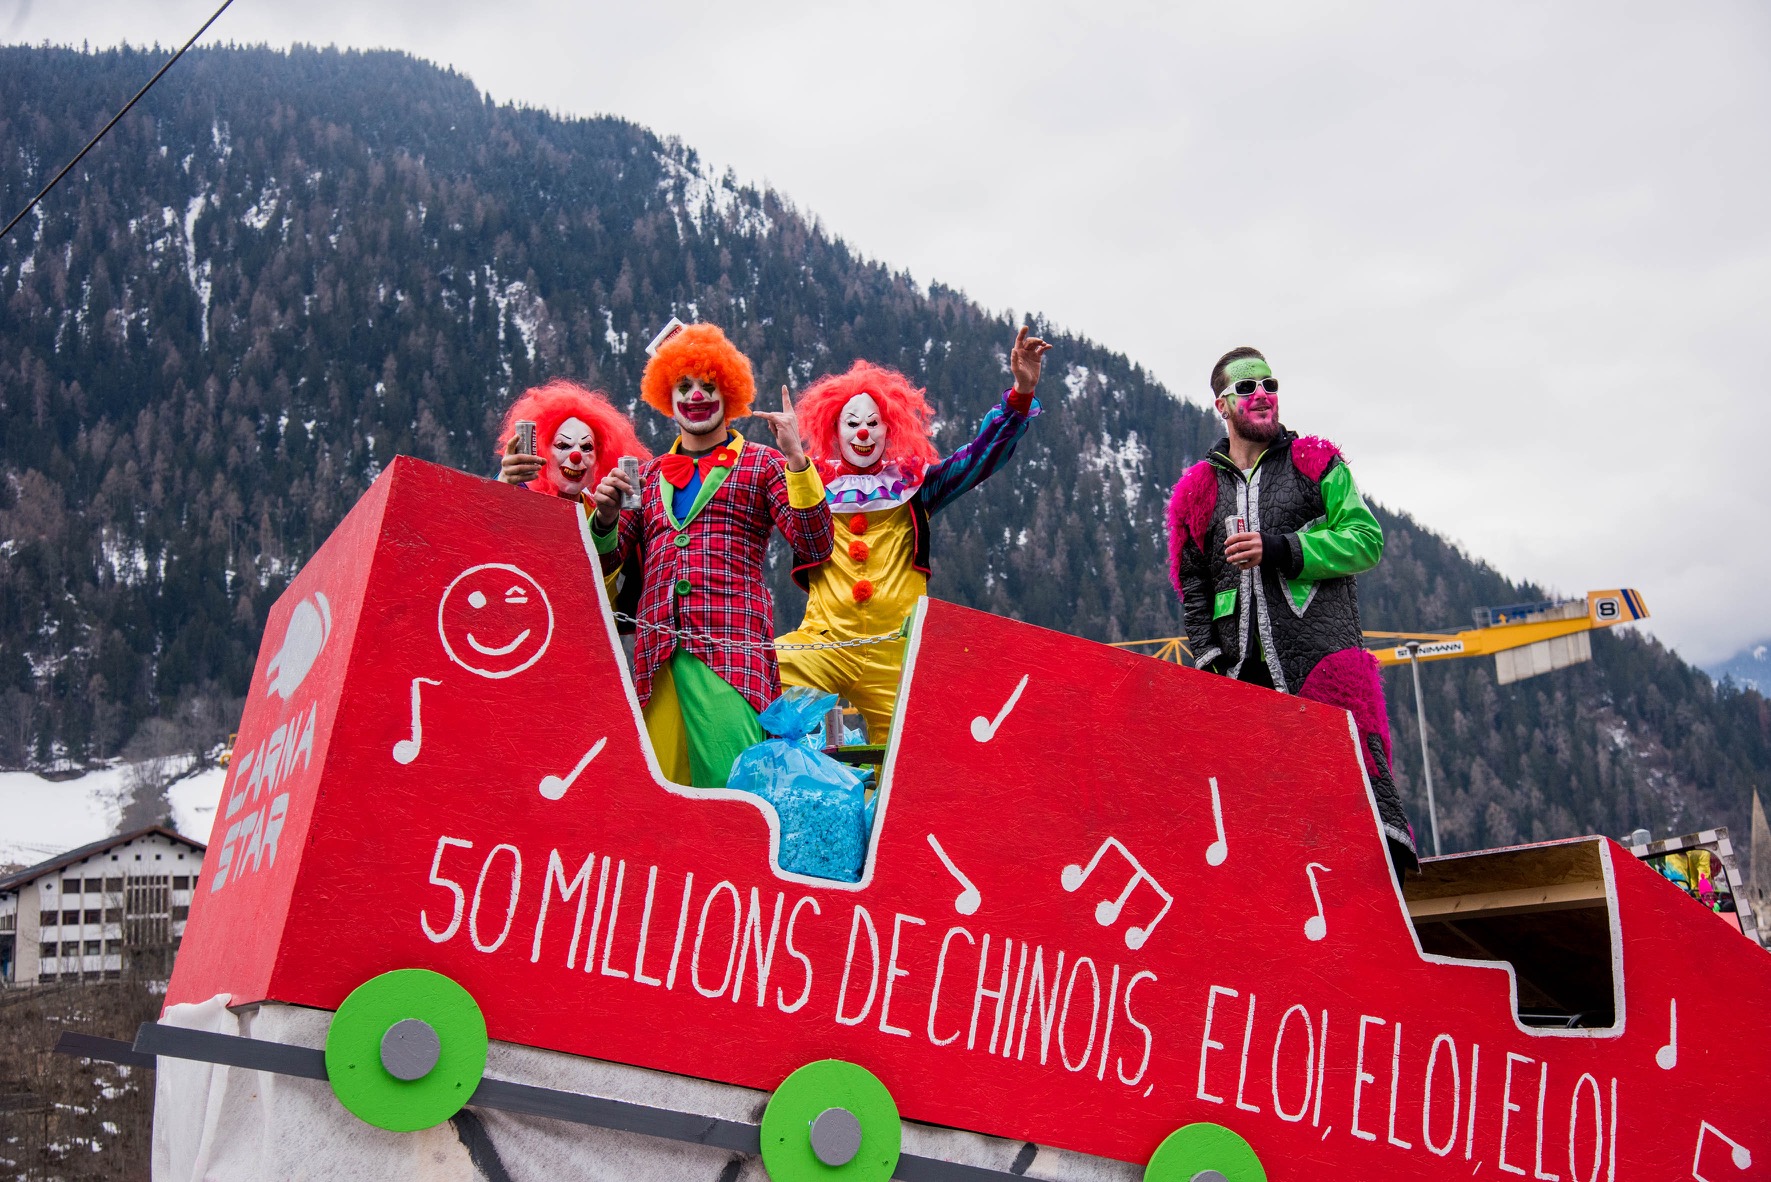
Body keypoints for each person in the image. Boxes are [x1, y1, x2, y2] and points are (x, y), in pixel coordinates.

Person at [1165, 346, 1417, 876]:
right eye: (1246, 387)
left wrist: (1282, 549)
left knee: (1361, 810)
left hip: (1323, 662)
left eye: (1270, 385)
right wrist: (1208, 658)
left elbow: (1366, 540)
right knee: (1262, 831)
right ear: (1221, 405)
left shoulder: (1315, 461)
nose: (1262, 394)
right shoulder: (1197, 490)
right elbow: (1192, 581)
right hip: (1240, 681)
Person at [777, 326, 1051, 742]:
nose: (863, 433)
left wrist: (1020, 395)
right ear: (835, 429)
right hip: (824, 644)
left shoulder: (913, 485)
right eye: (853, 423)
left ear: (889, 429)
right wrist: (794, 458)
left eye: (873, 423)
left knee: (909, 755)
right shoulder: (810, 484)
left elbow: (978, 458)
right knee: (762, 673)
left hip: (898, 653)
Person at [589, 323, 834, 788]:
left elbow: (816, 543)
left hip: (731, 655)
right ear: (667, 396)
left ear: (729, 392)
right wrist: (603, 519)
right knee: (658, 792)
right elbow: (603, 563)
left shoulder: (764, 463)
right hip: (656, 660)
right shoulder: (647, 475)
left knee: (731, 790)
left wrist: (798, 461)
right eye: (683, 386)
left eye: (708, 384)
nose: (696, 395)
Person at [495, 379, 651, 623]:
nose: (576, 456)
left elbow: (603, 593)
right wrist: (502, 486)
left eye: (587, 447)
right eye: (563, 445)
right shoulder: (519, 495)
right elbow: (481, 542)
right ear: (543, 450)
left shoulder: (599, 511)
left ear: (600, 456)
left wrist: (606, 521)